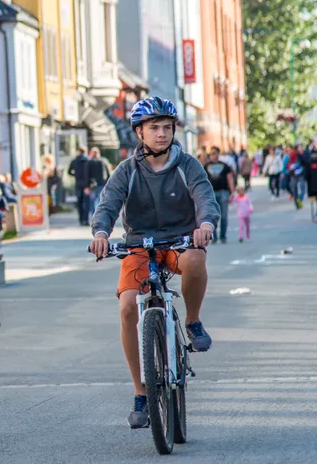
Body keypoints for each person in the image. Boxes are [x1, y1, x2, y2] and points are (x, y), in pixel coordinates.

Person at [89, 96, 218, 429]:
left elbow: (204, 197)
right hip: (140, 246)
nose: (162, 134)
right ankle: (141, 393)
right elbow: (107, 206)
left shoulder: (187, 164)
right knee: (128, 306)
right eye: (154, 128)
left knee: (195, 260)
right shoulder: (127, 171)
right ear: (140, 132)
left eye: (167, 127)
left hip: (179, 241)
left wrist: (205, 225)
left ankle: (192, 321)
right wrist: (101, 233)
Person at [205, 146, 235, 243]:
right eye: (211, 153)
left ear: (218, 154)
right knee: (212, 216)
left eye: (215, 153)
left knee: (224, 215)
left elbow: (230, 178)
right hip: (211, 193)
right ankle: (214, 236)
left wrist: (232, 193)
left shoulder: (225, 166)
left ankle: (223, 236)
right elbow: (203, 180)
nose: (213, 155)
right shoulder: (206, 166)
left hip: (223, 192)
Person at [86, 147, 111, 220]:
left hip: (92, 185)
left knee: (92, 201)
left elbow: (87, 175)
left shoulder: (89, 162)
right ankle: (101, 217)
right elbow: (108, 173)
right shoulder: (104, 161)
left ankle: (94, 217)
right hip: (103, 184)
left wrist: (86, 186)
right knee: (102, 201)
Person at [68, 147, 90, 225]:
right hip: (86, 185)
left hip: (78, 184)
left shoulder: (74, 161)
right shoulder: (88, 160)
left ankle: (81, 219)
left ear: (78, 152)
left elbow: (69, 172)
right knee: (86, 202)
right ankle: (86, 220)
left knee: (79, 202)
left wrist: (75, 175)